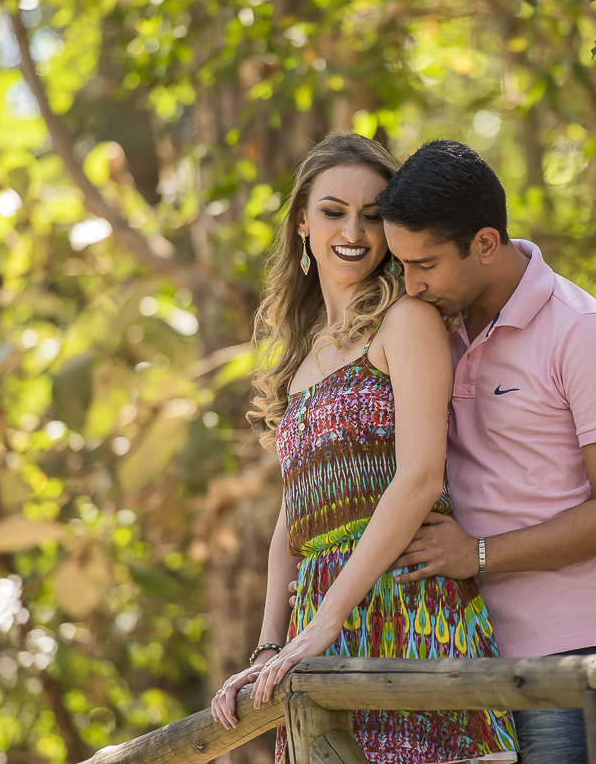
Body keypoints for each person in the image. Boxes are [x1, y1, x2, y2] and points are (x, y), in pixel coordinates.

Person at [209, 131, 517, 764]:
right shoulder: (301, 355)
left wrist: (327, 619)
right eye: (333, 211)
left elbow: (421, 476)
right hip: (318, 628)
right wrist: (269, 645)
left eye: (372, 215)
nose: (353, 231)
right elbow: (294, 516)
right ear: (302, 222)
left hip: (407, 613)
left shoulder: (406, 321)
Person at [377, 140, 596, 764]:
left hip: (573, 653)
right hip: (465, 647)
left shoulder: (580, 330)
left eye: (425, 264)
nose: (411, 285)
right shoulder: (433, 326)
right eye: (402, 266)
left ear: (484, 243)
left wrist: (475, 554)